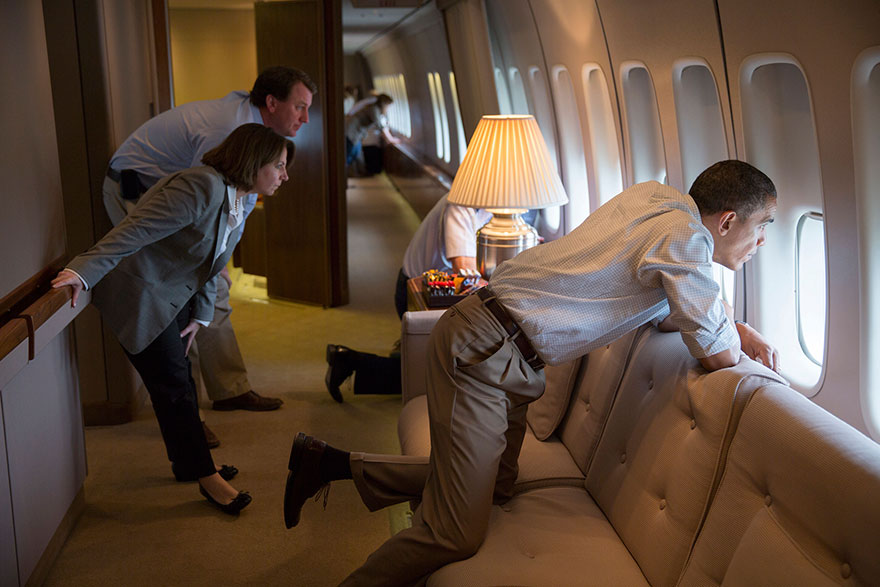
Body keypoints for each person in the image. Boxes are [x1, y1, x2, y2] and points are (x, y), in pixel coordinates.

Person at [282, 160, 781, 583]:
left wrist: (734, 323)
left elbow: (670, 310)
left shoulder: (653, 197)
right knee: (455, 532)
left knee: (496, 486)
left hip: (511, 353)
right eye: (763, 227)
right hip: (483, 350)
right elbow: (716, 354)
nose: (760, 242)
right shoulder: (686, 239)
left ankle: (329, 464)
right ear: (728, 220)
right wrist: (738, 335)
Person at [52, 124, 293, 515]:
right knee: (175, 385)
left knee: (177, 377)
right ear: (253, 162)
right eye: (279, 166)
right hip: (141, 291)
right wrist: (82, 272)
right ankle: (207, 478)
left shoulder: (241, 202)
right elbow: (134, 230)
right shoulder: (201, 186)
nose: (285, 175)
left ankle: (187, 464)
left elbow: (210, 265)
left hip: (176, 293)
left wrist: (200, 315)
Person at [104, 66, 317, 446]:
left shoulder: (259, 134)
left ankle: (230, 388)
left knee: (212, 288)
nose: (304, 118)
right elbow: (216, 199)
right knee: (178, 296)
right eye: (300, 107)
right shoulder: (230, 130)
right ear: (271, 103)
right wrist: (214, 263)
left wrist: (221, 261)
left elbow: (241, 205)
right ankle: (188, 417)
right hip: (135, 190)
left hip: (183, 198)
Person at [325, 193, 491, 402]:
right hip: (415, 295)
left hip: (433, 293)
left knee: (437, 369)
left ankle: (354, 359)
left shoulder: (495, 207)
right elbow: (465, 270)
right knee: (433, 377)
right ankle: (350, 361)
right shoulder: (461, 205)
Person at [344, 93, 400, 167]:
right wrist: (390, 139)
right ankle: (343, 172)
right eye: (388, 106)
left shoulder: (374, 109)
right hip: (351, 132)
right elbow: (380, 126)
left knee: (355, 152)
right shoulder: (374, 109)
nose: (388, 108)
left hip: (355, 133)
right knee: (350, 153)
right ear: (384, 104)